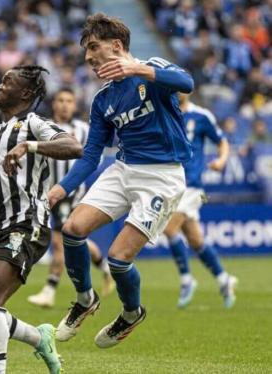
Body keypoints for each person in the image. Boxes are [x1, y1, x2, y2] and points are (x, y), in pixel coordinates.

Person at [46, 13, 194, 348]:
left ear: (117, 46)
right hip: (123, 170)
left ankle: (131, 313)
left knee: (117, 259)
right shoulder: (102, 99)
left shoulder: (151, 68)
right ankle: (85, 299)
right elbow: (91, 154)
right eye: (86, 51)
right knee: (72, 229)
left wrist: (136, 69)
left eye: (94, 47)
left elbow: (187, 83)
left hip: (162, 177)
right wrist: (61, 188)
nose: (88, 57)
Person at [0, 65, 84, 374]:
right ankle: (39, 337)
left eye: (6, 82)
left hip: (27, 224)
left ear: (24, 93)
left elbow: (74, 146)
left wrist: (28, 146)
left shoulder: (34, 123)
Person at [28, 88, 114, 308]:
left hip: (71, 194)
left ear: (75, 105)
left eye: (69, 100)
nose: (65, 104)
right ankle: (106, 269)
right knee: (77, 241)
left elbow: (95, 157)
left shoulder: (84, 130)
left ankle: (49, 290)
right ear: (54, 104)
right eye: (60, 100)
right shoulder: (43, 128)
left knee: (59, 243)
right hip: (50, 194)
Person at [163, 92, 237, 308]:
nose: (177, 91)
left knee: (168, 229)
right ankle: (224, 280)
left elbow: (222, 142)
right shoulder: (164, 113)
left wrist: (221, 160)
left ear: (189, 90)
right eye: (173, 87)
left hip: (193, 186)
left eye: (181, 87)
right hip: (170, 185)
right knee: (195, 240)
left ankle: (186, 279)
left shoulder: (202, 116)